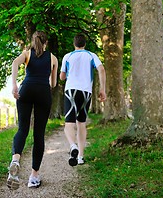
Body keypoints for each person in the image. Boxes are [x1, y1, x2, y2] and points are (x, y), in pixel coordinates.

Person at [7, 31, 58, 189]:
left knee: (22, 129)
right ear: (46, 42)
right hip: (43, 90)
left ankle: (16, 159)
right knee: (39, 134)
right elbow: (53, 83)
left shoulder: (26, 53)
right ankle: (34, 177)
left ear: (33, 41)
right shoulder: (53, 58)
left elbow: (15, 63)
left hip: (26, 89)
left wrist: (15, 84)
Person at [59, 33, 106, 166]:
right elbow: (101, 70)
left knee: (69, 123)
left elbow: (62, 77)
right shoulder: (91, 55)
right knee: (81, 123)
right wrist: (102, 89)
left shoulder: (67, 56)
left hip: (71, 91)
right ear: (85, 44)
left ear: (74, 44)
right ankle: (80, 156)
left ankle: (73, 146)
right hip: (86, 91)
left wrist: (66, 73)